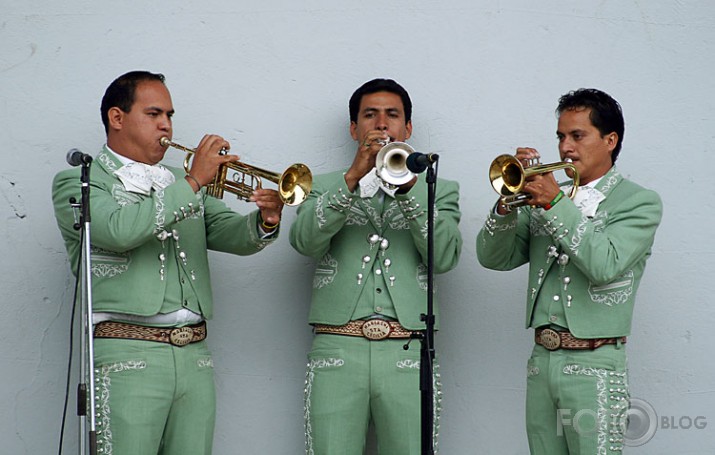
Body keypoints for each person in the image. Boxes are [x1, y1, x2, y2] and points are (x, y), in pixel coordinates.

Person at [52, 70, 284, 454]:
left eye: (170, 115)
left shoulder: (178, 179)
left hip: (193, 354)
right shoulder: (80, 180)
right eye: (155, 113)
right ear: (117, 117)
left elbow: (229, 233)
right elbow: (116, 230)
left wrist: (264, 221)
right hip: (125, 354)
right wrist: (192, 183)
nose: (167, 125)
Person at [477, 88, 662, 454]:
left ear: (610, 140)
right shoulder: (549, 195)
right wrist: (506, 205)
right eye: (561, 136)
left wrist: (555, 202)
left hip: (597, 363)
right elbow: (493, 258)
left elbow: (604, 264)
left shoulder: (639, 202)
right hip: (542, 361)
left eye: (578, 136)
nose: (565, 147)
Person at [289, 78, 462, 454]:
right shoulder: (323, 185)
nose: (382, 124)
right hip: (337, 346)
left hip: (408, 348)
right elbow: (304, 241)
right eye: (370, 115)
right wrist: (352, 178)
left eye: (392, 115)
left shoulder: (437, 188)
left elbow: (445, 257)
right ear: (355, 129)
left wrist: (408, 191)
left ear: (407, 128)